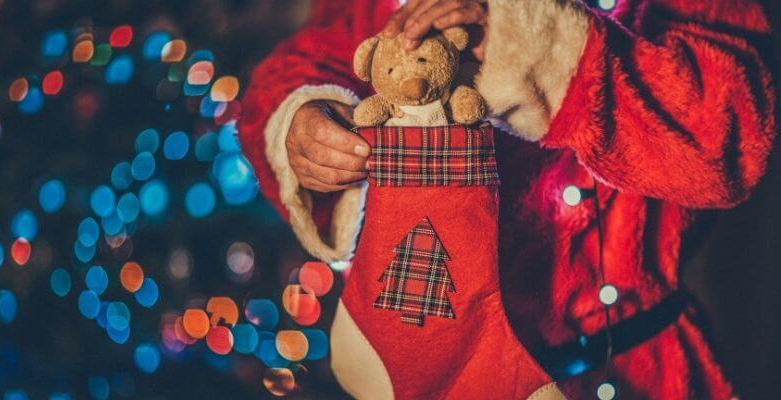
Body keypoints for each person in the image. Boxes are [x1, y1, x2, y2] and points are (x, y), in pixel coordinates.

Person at [238, 0, 777, 398]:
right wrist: (306, 123)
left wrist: (541, 53)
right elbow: (310, 57)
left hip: (638, 370)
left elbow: (733, 134)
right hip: (439, 370)